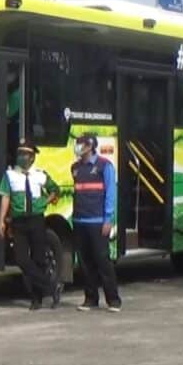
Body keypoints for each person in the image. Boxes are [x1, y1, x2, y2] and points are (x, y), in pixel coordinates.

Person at [0, 139, 62, 311]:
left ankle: (37, 299)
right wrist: (1, 221)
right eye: (20, 153)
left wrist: (44, 201)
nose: (22, 157)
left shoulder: (40, 175)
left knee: (39, 259)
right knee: (21, 259)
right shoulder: (10, 175)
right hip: (18, 222)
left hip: (37, 220)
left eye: (26, 154)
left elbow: (56, 190)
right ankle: (51, 286)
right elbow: (5, 198)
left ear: (33, 157)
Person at [71, 133, 121, 313]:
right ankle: (90, 298)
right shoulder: (75, 168)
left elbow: (110, 194)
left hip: (98, 221)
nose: (77, 147)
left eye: (80, 144)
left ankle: (113, 300)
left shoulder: (104, 166)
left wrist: (108, 219)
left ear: (90, 145)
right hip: (79, 220)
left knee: (103, 261)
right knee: (85, 262)